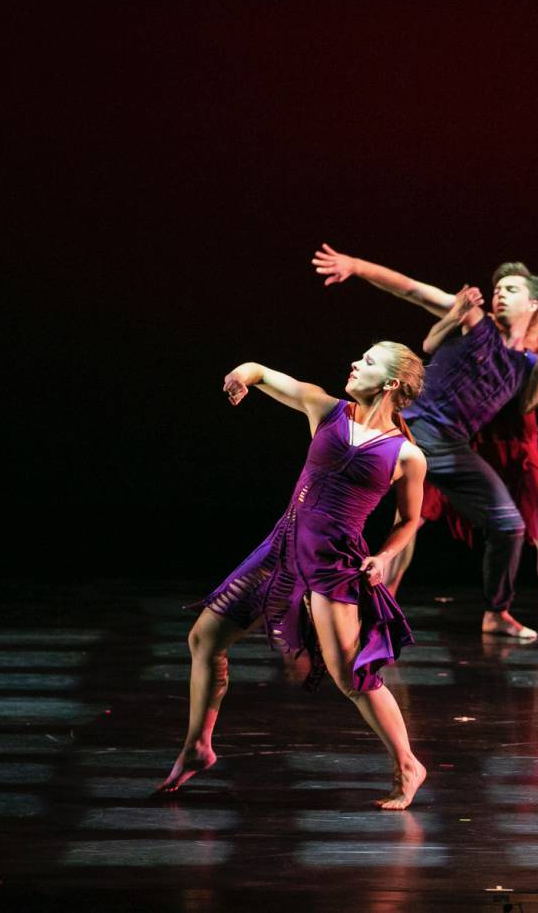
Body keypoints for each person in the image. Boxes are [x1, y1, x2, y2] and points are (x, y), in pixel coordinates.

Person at [159, 343, 429, 810]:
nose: (353, 363)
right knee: (204, 638)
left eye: (366, 362)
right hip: (282, 548)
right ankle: (198, 747)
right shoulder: (325, 409)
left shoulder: (406, 455)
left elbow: (409, 520)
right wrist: (240, 376)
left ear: (389, 384)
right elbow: (261, 370)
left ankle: (408, 764)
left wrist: (385, 557)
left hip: (333, 562)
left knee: (350, 675)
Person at [312, 244, 538, 640]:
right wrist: (356, 265)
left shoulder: (529, 361)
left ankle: (496, 612)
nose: (499, 292)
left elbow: (530, 403)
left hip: (452, 446)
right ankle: (329, 600)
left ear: (533, 304)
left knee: (509, 525)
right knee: (371, 513)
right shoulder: (474, 319)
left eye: (511, 289)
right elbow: (412, 289)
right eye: (498, 287)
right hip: (415, 427)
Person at [420, 274, 538, 635]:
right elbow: (429, 316)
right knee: (413, 514)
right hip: (468, 440)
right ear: (534, 301)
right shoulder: (492, 324)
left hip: (520, 448)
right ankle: (384, 595)